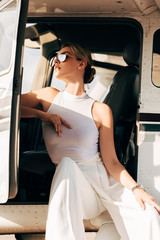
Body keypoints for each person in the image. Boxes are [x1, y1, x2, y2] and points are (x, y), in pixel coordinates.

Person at [21, 42, 160, 240]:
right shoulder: (48, 96)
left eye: (64, 56)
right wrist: (41, 115)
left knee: (148, 215)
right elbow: (7, 106)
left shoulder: (100, 110)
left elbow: (111, 162)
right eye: (55, 58)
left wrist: (137, 190)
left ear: (81, 64)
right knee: (67, 165)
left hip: (102, 182)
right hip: (74, 187)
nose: (56, 62)